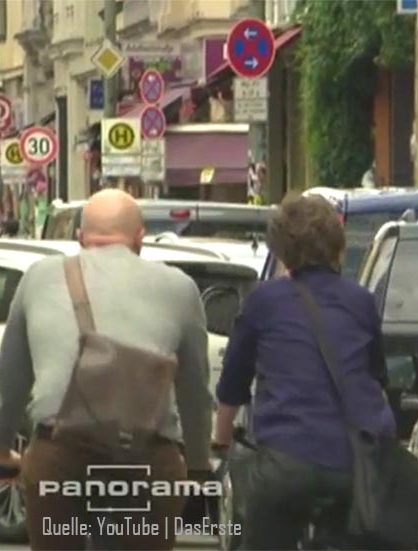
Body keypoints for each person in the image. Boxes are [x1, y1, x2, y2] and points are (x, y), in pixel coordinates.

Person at [0, 189, 212, 549]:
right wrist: (196, 465)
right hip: (147, 456)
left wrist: (3, 448)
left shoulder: (38, 277)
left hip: (59, 454)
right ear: (140, 237)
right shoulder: (181, 287)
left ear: (80, 237)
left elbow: (10, 381)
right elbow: (195, 390)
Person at [213, 195, 396, 550]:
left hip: (286, 464)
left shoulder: (263, 301)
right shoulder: (360, 301)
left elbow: (233, 386)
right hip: (355, 467)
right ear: (338, 246)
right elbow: (376, 378)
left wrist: (220, 441)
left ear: (282, 250)